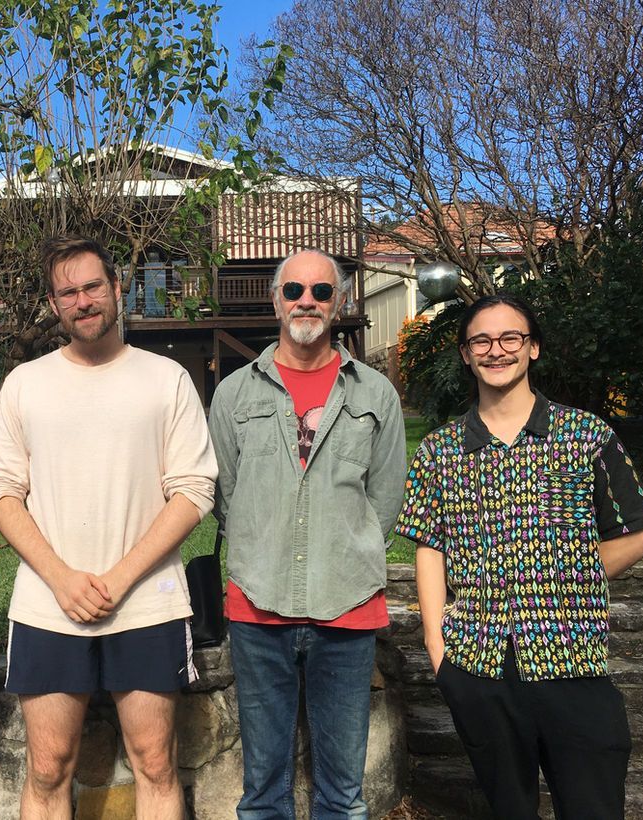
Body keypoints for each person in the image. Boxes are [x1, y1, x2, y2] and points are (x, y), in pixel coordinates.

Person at [0, 236, 216, 820]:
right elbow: (0, 492)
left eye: (92, 286)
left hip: (146, 603)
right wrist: (61, 579)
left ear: (116, 288)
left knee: (155, 764)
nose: (82, 301)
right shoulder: (25, 384)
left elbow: (194, 491)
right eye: (68, 292)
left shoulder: (166, 380)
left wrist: (118, 578)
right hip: (48, 603)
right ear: (54, 304)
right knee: (47, 767)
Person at [396, 293, 643, 820]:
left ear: (532, 348)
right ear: (467, 355)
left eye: (510, 338)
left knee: (593, 808)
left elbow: (638, 534)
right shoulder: (440, 452)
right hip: (478, 665)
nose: (497, 351)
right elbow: (430, 546)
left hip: (572, 658)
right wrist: (435, 644)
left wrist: (563, 578)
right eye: (481, 341)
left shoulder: (586, 437)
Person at [208, 249, 406, 819]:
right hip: (257, 604)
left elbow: (385, 497)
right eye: (294, 289)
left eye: (322, 291)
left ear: (339, 302)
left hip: (347, 605)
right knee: (263, 793)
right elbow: (226, 495)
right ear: (276, 299)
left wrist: (343, 548)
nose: (307, 301)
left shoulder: (375, 395)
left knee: (343, 796)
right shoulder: (235, 394)